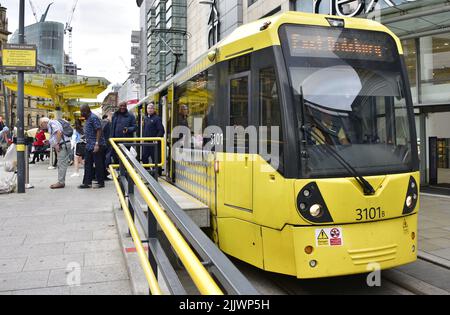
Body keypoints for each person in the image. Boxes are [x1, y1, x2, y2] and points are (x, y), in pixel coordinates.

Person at [78, 105, 107, 189]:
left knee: (98, 164)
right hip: (89, 145)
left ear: (87, 111)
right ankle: (87, 182)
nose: (81, 113)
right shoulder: (88, 119)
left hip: (96, 145)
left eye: (82, 112)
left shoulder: (93, 117)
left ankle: (101, 182)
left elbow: (99, 130)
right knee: (88, 164)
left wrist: (97, 144)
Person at [39, 117, 71, 189]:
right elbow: (55, 135)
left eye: (41, 125)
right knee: (61, 163)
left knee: (61, 163)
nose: (42, 127)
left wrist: (57, 144)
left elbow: (59, 132)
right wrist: (49, 141)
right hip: (64, 143)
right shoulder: (52, 124)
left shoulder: (52, 123)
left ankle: (61, 182)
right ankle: (61, 181)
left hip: (63, 144)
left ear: (44, 122)